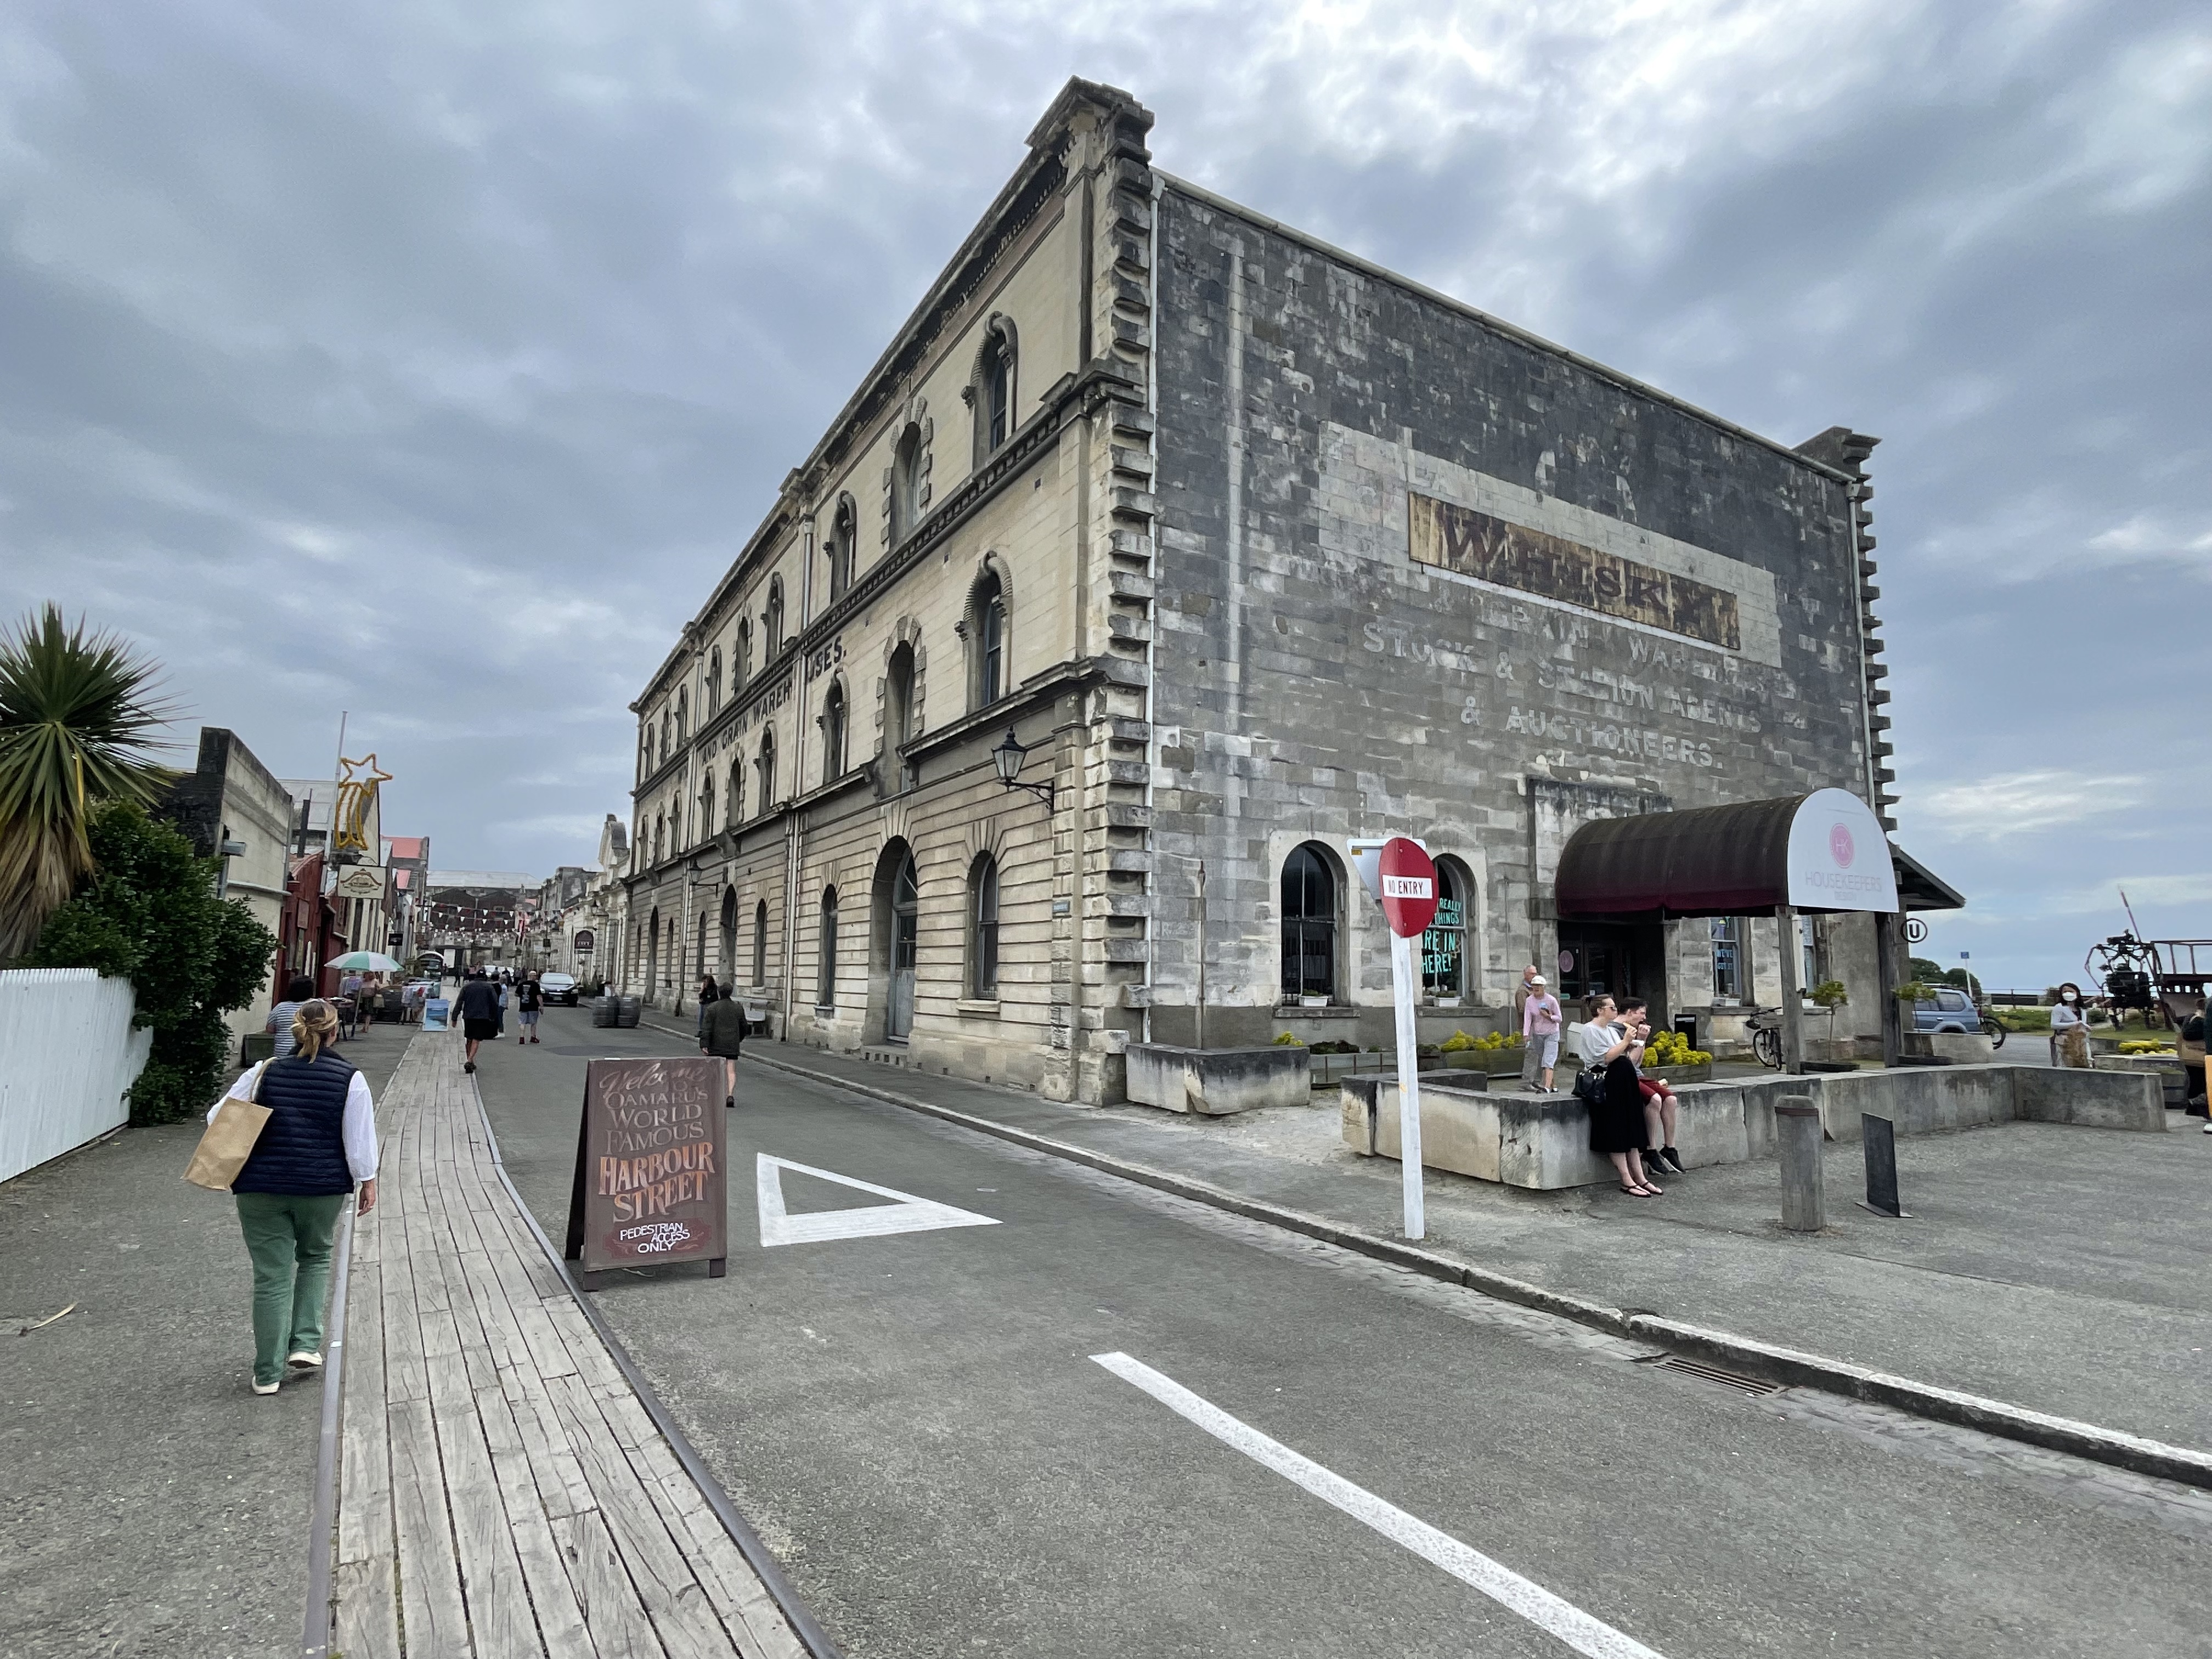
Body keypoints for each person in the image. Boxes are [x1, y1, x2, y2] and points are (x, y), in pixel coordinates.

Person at [208, 1000, 376, 1394]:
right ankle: (304, 1344)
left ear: (296, 1030)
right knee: (315, 1258)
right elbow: (358, 1141)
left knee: (271, 1276)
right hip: (321, 1186)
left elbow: (218, 1118)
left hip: (260, 1186)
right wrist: (367, 1180)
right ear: (334, 1032)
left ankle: (267, 1374)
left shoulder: (262, 1071)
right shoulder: (350, 1078)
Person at [1573, 994, 1662, 1195]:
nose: (1616, 1011)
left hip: (1624, 1084)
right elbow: (1605, 1059)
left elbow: (1629, 1060)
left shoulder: (1611, 1031)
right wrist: (1626, 1041)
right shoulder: (1590, 1029)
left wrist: (1639, 1041)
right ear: (1600, 1010)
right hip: (1608, 1086)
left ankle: (1640, 1178)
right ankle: (1627, 1179)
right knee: (1617, 1130)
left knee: (1632, 1128)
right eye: (1612, 1008)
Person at [1619, 997, 1685, 1173]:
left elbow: (1638, 1063)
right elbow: (1627, 1065)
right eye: (1642, 1013)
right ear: (1630, 1012)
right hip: (1625, 1077)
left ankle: (1670, 1148)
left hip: (1637, 1074)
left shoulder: (1633, 1029)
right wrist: (1640, 1039)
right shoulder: (1616, 1030)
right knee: (1655, 1099)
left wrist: (1643, 1040)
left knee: (1670, 1099)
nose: (1644, 1018)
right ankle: (1650, 1148)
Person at [700, 984, 747, 1108]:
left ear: (719, 993)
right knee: (731, 1070)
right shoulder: (738, 1008)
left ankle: (716, 1095)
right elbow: (744, 1027)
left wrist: (704, 1044)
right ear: (731, 993)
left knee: (715, 1071)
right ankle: (730, 1095)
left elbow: (707, 1028)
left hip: (715, 1044)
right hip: (731, 1043)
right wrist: (738, 1039)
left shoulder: (712, 1008)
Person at [455, 968, 501, 1074]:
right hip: (482, 1017)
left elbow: (459, 1001)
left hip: (468, 1016)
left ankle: (470, 1061)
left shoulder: (467, 986)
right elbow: (494, 1003)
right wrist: (493, 1016)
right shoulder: (489, 987)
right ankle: (470, 1060)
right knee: (476, 1039)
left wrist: (455, 1017)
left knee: (469, 1039)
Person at [1521, 974, 1563, 1091]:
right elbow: (1528, 1018)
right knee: (1542, 1059)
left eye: (1538, 987)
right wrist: (1526, 1034)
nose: (1536, 989)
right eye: (1534, 987)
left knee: (1548, 1059)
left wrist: (1549, 1017)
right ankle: (1553, 1085)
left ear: (1543, 987)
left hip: (1552, 1033)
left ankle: (1547, 1087)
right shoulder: (1529, 1001)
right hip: (1538, 1034)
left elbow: (1559, 1018)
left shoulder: (1551, 1000)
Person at [264, 974, 317, 1059]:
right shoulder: (318, 1006)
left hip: (282, 1054)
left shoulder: (280, 1008)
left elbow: (270, 1030)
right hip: (308, 1054)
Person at [2050, 982, 2091, 1068]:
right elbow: (2054, 1025)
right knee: (2065, 1063)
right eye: (2065, 992)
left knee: (2084, 1062)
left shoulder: (2081, 1009)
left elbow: (2083, 1023)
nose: (2068, 994)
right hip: (2065, 1041)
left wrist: (2085, 1027)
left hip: (2081, 1041)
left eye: (2071, 991)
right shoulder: (2060, 1007)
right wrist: (2075, 1024)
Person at [515, 970, 543, 1045]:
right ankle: (533, 1037)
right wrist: (541, 1006)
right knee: (533, 1023)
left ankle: (522, 1038)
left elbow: (516, 994)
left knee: (522, 1022)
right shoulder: (536, 985)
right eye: (535, 976)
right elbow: (539, 996)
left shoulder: (522, 984)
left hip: (523, 1006)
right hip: (533, 1007)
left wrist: (522, 996)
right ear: (533, 976)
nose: (536, 977)